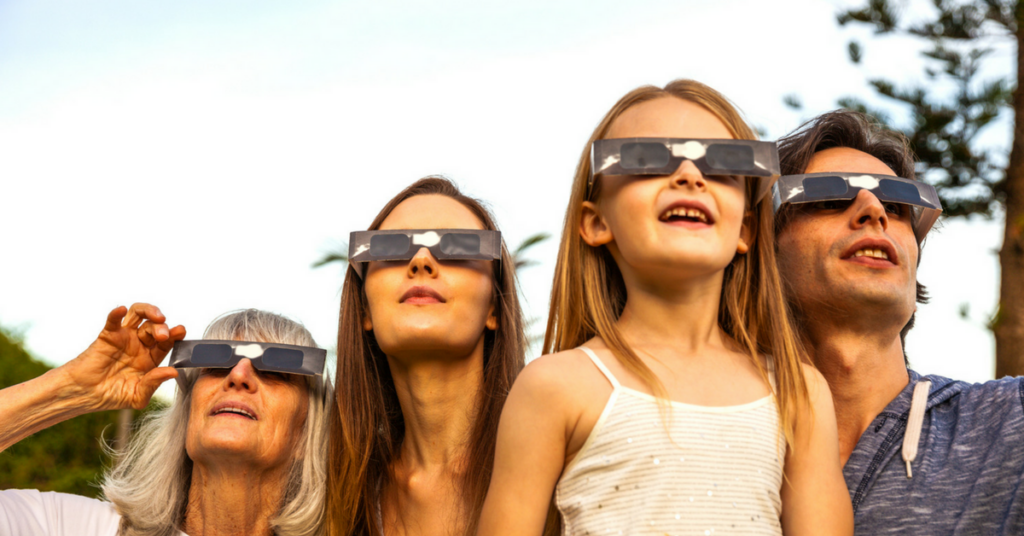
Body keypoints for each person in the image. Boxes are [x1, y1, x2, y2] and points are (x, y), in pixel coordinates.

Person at [477, 80, 852, 535]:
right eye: (647, 160)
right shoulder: (553, 387)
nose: (690, 175)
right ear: (595, 223)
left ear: (746, 231)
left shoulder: (799, 393)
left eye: (723, 164)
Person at [774, 109, 1024, 535]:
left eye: (897, 204)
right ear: (759, 247)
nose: (875, 211)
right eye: (831, 197)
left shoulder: (1011, 422)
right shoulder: (699, 437)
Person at [0, 305, 331, 536]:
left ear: (307, 433)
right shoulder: (69, 527)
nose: (238, 375)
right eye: (216, 362)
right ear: (187, 415)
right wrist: (71, 390)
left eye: (275, 369)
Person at [326, 177, 527, 536]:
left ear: (493, 308)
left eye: (458, 246)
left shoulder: (559, 460)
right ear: (364, 311)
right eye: (390, 248)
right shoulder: (333, 497)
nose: (421, 260)